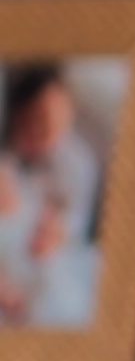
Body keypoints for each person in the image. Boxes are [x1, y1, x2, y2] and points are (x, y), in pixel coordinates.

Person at [0, 63, 102, 331]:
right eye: (38, 121)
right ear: (19, 119)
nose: (49, 131)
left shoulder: (78, 163)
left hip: (54, 257)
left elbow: (76, 225)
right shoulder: (8, 163)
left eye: (59, 120)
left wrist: (58, 232)